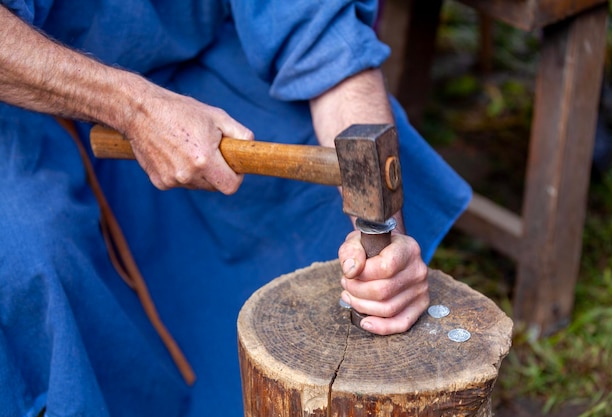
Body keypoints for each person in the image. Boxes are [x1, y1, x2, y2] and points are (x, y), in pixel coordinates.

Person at [0, 1, 471, 416]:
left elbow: (325, 38)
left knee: (314, 160)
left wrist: (388, 241)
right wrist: (135, 109)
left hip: (183, 69)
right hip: (19, 93)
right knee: (35, 248)